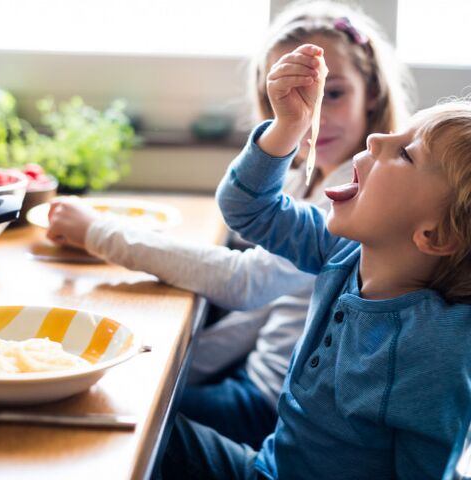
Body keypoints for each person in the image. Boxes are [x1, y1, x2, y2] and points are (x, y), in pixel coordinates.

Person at [46, 0, 414, 450]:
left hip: (273, 405)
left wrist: (99, 233)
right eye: (293, 97)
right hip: (253, 378)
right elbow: (257, 314)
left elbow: (246, 284)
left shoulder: (358, 204)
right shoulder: (305, 178)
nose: (316, 114)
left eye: (332, 94)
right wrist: (173, 368)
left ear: (372, 91)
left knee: (111, 421)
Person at [182, 43, 471, 479]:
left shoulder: (436, 353)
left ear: (435, 235)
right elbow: (249, 209)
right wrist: (287, 126)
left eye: (406, 153)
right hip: (266, 467)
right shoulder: (343, 250)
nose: (375, 138)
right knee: (146, 428)